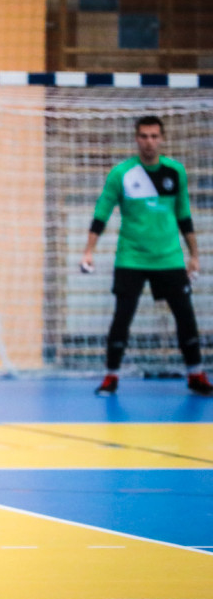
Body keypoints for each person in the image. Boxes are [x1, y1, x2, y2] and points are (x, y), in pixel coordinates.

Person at [81, 115, 213, 397]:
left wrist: (195, 256)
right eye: (143, 136)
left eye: (154, 136)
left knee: (186, 317)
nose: (149, 142)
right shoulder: (121, 174)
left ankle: (196, 375)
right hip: (131, 259)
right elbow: (102, 212)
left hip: (169, 259)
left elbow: (184, 215)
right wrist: (89, 250)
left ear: (162, 139)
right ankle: (111, 377)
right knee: (122, 317)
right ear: (136, 138)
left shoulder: (175, 172)